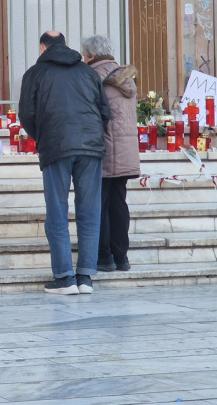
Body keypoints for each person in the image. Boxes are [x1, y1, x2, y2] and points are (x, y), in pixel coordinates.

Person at [18, 31, 110, 296]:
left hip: (56, 146)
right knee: (89, 211)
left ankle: (64, 278)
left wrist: (43, 137)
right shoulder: (87, 71)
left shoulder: (35, 73)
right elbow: (105, 111)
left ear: (42, 46)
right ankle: (85, 278)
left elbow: (27, 114)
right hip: (90, 148)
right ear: (65, 45)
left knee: (57, 211)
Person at [81, 35, 139, 272]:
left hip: (104, 149)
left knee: (101, 204)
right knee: (118, 203)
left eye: (84, 55)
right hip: (125, 151)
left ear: (91, 55)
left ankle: (104, 257)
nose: (83, 59)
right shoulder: (124, 76)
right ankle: (121, 257)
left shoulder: (92, 76)